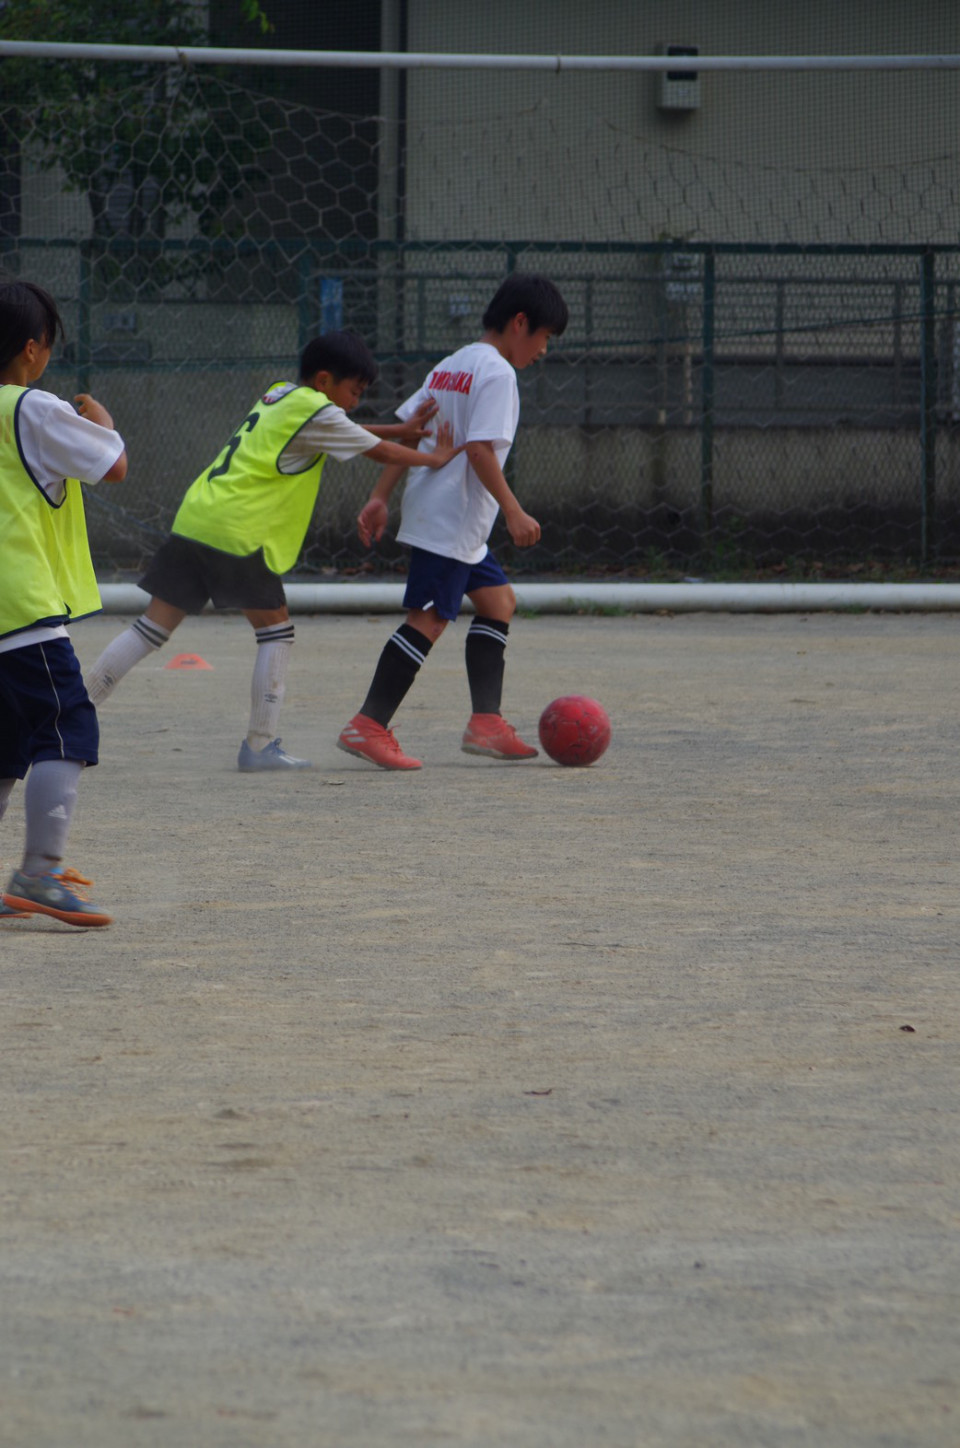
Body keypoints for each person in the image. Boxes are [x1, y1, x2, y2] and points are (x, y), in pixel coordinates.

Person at [86, 330, 459, 771]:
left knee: (151, 628)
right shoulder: (319, 410)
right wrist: (435, 458)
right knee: (276, 632)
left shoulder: (280, 394)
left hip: (198, 516)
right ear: (324, 380)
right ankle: (260, 747)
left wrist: (401, 429)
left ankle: (68, 713)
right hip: (238, 531)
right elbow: (372, 449)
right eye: (353, 391)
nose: (355, 402)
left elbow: (343, 429)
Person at [337, 272, 569, 770]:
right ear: (520, 323)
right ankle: (368, 725)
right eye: (545, 338)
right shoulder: (499, 374)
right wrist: (513, 509)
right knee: (430, 617)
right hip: (454, 519)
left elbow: (412, 435)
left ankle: (486, 722)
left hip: (448, 517)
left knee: (498, 601)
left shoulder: (451, 365)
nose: (544, 350)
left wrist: (380, 498)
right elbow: (481, 450)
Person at [0, 280, 128, 927]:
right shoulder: (31, 408)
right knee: (65, 726)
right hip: (21, 613)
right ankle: (41, 872)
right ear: (32, 349)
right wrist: (100, 422)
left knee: (4, 745)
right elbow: (113, 464)